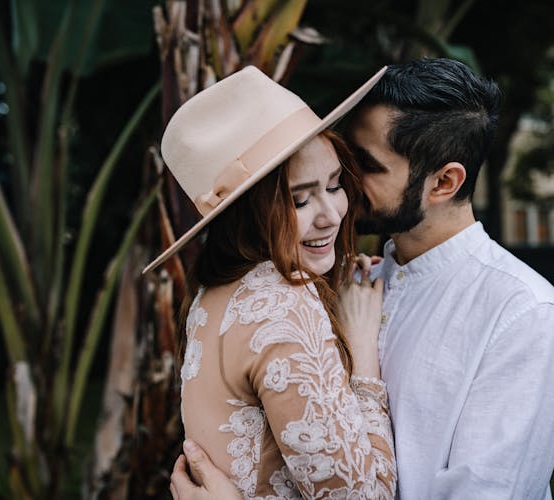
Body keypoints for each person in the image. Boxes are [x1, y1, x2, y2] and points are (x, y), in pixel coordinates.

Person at [172, 58, 554, 499]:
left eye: (365, 164)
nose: (346, 180)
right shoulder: (327, 285)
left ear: (443, 182)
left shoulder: (520, 312)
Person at [145, 65, 397, 500]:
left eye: (335, 185)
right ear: (247, 214)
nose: (332, 214)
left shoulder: (211, 296)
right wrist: (362, 356)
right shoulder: (284, 304)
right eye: (300, 199)